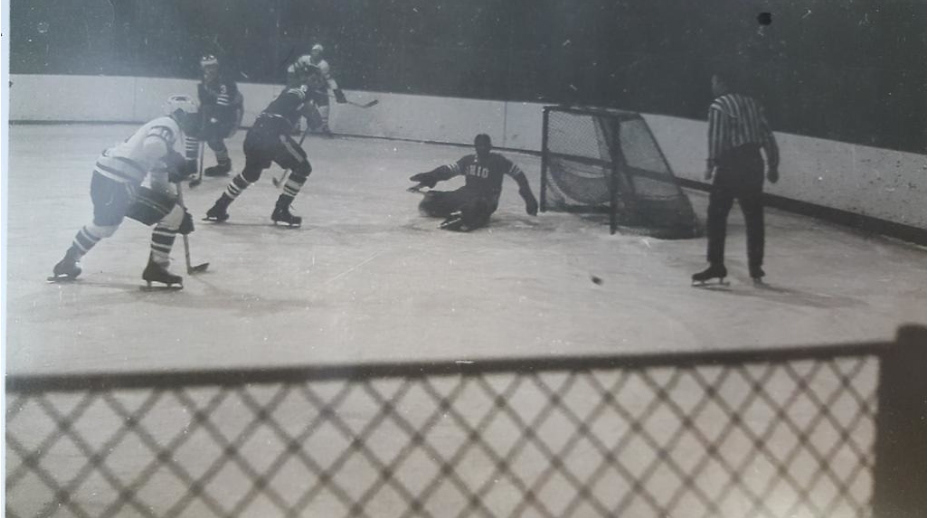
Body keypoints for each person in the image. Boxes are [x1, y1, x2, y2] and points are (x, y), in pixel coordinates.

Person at [49, 95, 199, 287]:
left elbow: (157, 181)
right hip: (118, 180)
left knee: (105, 226)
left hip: (108, 178)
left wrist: (176, 207)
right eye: (189, 117)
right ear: (178, 114)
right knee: (171, 215)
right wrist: (175, 161)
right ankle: (156, 268)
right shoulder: (168, 124)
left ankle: (68, 262)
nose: (191, 122)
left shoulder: (163, 130)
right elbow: (154, 147)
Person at [692, 72, 780, 284]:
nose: (712, 86)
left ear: (722, 83)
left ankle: (716, 265)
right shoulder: (753, 104)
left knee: (717, 215)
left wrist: (710, 164)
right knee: (754, 216)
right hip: (754, 162)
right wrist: (773, 164)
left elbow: (717, 138)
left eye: (714, 82)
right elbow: (768, 135)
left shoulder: (719, 105)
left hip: (732, 163)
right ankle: (756, 267)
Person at [203, 84, 316, 227]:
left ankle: (218, 207)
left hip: (254, 134)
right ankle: (281, 209)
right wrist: (313, 116)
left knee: (250, 174)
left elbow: (293, 105)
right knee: (303, 167)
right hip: (272, 135)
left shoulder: (285, 93)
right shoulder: (305, 91)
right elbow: (312, 115)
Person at [408, 134, 539, 232]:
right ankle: (460, 213)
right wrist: (431, 176)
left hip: (486, 199)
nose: (482, 148)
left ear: (490, 147)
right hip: (466, 193)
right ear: (475, 147)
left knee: (475, 206)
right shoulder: (468, 160)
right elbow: (449, 170)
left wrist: (527, 195)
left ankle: (466, 215)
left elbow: (518, 175)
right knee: (434, 199)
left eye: (484, 146)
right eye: (479, 146)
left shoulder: (498, 161)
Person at [184, 54, 244, 177]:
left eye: (213, 67)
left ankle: (224, 165)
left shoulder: (225, 81)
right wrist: (201, 122)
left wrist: (211, 122)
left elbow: (223, 105)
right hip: (212, 115)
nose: (210, 70)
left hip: (229, 116)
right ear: (202, 68)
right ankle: (190, 165)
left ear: (217, 67)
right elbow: (205, 104)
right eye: (207, 67)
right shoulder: (203, 82)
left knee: (213, 138)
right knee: (191, 130)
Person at [286, 43, 347, 136]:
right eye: (314, 51)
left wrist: (337, 92)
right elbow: (291, 69)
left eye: (318, 52)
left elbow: (329, 79)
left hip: (318, 86)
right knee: (298, 102)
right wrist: (293, 82)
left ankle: (324, 127)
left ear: (321, 54)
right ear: (311, 52)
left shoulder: (324, 65)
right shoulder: (303, 59)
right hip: (304, 85)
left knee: (324, 104)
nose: (316, 53)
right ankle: (296, 126)